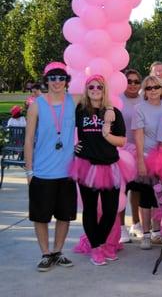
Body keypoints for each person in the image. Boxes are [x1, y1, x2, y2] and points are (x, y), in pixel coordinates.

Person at [69, 74, 135, 265]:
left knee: (110, 210)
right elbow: (65, 130)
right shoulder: (80, 111)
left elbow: (122, 140)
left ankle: (100, 243)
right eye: (91, 87)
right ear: (86, 90)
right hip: (86, 165)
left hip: (110, 165)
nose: (95, 90)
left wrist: (107, 132)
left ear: (104, 90)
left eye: (99, 87)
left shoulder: (113, 112)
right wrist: (71, 147)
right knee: (89, 210)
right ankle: (97, 248)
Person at [24, 62, 79, 271]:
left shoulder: (74, 100)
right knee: (41, 216)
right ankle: (45, 253)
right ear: (46, 80)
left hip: (67, 172)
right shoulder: (37, 104)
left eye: (61, 77)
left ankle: (57, 251)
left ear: (67, 81)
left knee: (64, 215)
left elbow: (100, 91)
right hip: (42, 171)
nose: (57, 82)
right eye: (53, 78)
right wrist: (29, 170)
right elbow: (29, 140)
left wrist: (109, 110)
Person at [131, 75, 162, 249]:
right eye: (149, 88)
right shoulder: (139, 108)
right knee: (146, 197)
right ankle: (145, 234)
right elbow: (138, 136)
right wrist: (140, 160)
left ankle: (156, 231)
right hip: (146, 157)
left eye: (156, 87)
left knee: (160, 197)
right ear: (144, 91)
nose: (153, 91)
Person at [119, 69, 143, 243]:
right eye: (129, 81)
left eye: (136, 81)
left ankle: (136, 223)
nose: (133, 84)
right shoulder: (117, 99)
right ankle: (121, 228)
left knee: (137, 189)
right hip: (121, 150)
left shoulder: (145, 99)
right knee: (121, 189)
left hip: (140, 150)